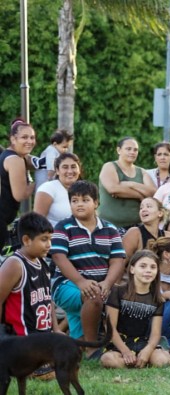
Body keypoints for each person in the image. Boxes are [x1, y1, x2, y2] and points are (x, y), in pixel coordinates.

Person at [51, 181, 127, 358]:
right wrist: (81, 282)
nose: (79, 204)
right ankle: (93, 348)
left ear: (96, 203)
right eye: (74, 200)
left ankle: (82, 343)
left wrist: (108, 283)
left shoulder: (110, 229)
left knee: (78, 340)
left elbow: (117, 260)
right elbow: (58, 257)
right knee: (93, 296)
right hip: (66, 284)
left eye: (85, 200)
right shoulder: (63, 227)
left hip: (101, 284)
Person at [100, 251, 170, 368]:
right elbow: (110, 327)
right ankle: (134, 361)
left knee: (162, 361)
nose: (148, 270)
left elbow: (155, 333)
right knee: (108, 359)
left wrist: (148, 350)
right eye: (142, 266)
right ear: (132, 269)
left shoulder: (157, 299)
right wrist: (125, 351)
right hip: (120, 342)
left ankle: (141, 359)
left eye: (153, 267)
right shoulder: (118, 292)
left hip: (143, 342)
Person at [0, 212, 55, 336]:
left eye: (50, 239)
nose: (49, 245)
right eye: (44, 239)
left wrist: (56, 330)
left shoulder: (43, 262)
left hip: (42, 338)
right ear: (26, 240)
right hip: (20, 342)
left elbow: (48, 300)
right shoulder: (15, 264)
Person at [98, 137, 157, 229]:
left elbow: (153, 193)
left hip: (136, 227)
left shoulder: (141, 172)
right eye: (128, 149)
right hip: (109, 227)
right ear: (119, 150)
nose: (132, 152)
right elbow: (113, 189)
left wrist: (131, 184)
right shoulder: (110, 166)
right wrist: (140, 196)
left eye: (135, 150)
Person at [1, 120, 37, 251]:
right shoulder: (15, 160)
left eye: (32, 137)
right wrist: (36, 184)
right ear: (13, 139)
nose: (30, 141)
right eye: (24, 137)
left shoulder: (8, 155)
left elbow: (30, 160)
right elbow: (19, 194)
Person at [34, 153, 81, 227]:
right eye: (65, 167)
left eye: (73, 167)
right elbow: (37, 223)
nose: (70, 171)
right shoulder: (47, 188)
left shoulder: (84, 189)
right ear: (57, 171)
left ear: (79, 170)